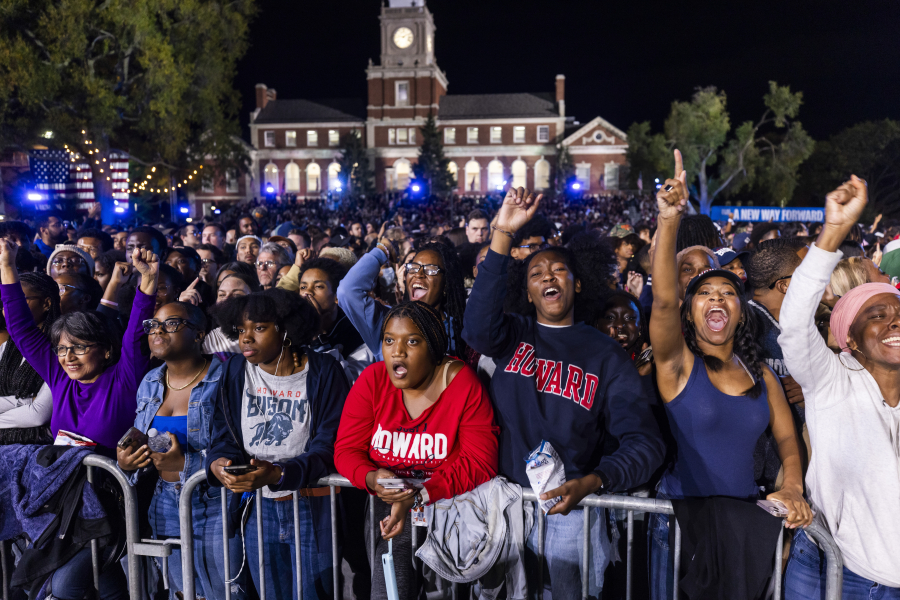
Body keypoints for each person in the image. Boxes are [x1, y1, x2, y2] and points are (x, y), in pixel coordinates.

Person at [464, 186, 665, 598]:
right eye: (536, 274)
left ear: (578, 282)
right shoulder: (512, 336)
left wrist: (595, 481)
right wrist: (502, 232)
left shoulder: (605, 354)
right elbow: (476, 327)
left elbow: (645, 441)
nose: (547, 277)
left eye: (558, 270)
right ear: (529, 290)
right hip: (506, 503)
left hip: (570, 511)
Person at [648, 151, 811, 600]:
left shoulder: (762, 376)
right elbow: (662, 300)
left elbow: (786, 442)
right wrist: (667, 220)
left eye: (727, 293)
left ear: (741, 311)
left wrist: (793, 487)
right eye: (703, 293)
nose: (716, 299)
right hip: (681, 526)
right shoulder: (678, 366)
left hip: (745, 529)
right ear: (690, 309)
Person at [781, 176, 900, 598]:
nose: (894, 322)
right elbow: (794, 325)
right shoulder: (831, 381)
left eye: (899, 312)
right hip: (831, 572)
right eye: (877, 315)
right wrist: (833, 232)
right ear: (848, 338)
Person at [334, 301, 499, 600]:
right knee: (388, 594)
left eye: (412, 341)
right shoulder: (372, 380)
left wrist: (421, 494)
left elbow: (480, 460)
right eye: (389, 340)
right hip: (388, 511)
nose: (397, 351)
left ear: (433, 346)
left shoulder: (461, 383)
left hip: (449, 511)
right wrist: (372, 478)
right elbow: (346, 449)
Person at [205, 289, 350, 600]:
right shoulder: (234, 370)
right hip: (259, 506)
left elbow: (330, 444)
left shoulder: (324, 371)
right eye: (241, 329)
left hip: (313, 504)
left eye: (258, 328)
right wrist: (219, 463)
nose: (246, 338)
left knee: (316, 594)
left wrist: (279, 474)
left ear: (286, 329)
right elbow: (224, 435)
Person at [117, 302, 246, 600]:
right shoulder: (150, 381)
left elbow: (239, 447)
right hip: (164, 502)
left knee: (223, 593)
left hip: (216, 502)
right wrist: (128, 461)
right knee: (182, 592)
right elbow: (143, 441)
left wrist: (185, 463)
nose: (158, 330)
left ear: (199, 334)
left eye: (172, 323)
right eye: (153, 325)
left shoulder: (225, 378)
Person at [0, 240, 158, 453]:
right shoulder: (60, 377)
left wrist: (148, 279)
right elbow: (21, 329)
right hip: (63, 483)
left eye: (80, 347)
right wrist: (8, 266)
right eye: (62, 349)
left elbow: (136, 334)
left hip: (110, 483)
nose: (69, 357)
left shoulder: (124, 379)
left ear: (106, 350)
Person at [338, 238, 469, 363]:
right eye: (413, 267)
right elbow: (347, 291)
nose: (418, 274)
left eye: (430, 270)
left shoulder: (461, 327)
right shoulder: (388, 321)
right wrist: (382, 251)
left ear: (446, 283)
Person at [0, 272, 60, 439]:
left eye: (19, 301)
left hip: (37, 443)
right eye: (5, 303)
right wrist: (25, 402)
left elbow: (39, 414)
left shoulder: (60, 348)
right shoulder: (8, 348)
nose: (9, 309)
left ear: (46, 303)